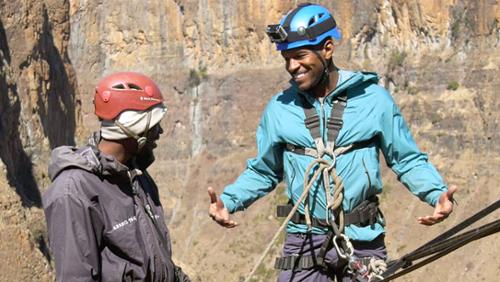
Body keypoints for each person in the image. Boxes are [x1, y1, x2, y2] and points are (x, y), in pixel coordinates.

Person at [208, 3, 457, 282]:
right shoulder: (279, 108)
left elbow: (405, 158)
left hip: (362, 242)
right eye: (287, 58)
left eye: (300, 56)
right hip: (304, 241)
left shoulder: (374, 100)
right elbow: (264, 170)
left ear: (327, 49)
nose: (292, 66)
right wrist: (230, 201)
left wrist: (436, 194)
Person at [43, 72, 190, 282]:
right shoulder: (73, 191)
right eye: (154, 124)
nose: (160, 132)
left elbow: (160, 264)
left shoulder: (138, 178)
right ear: (133, 127)